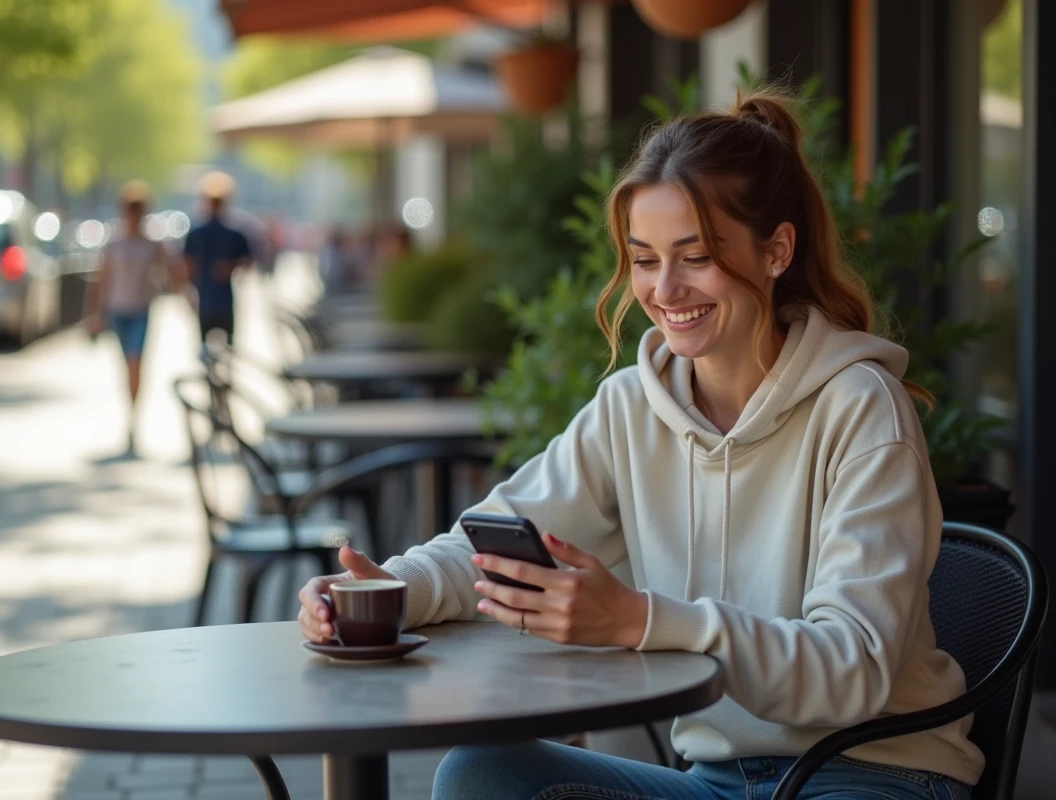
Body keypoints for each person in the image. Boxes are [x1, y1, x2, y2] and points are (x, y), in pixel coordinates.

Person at [297, 89, 981, 800]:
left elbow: (853, 669)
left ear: (776, 250)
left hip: (874, 773)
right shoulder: (632, 408)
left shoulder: (861, 410)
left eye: (696, 255)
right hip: (716, 779)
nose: (664, 288)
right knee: (482, 774)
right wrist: (381, 591)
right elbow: (491, 545)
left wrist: (638, 619)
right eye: (644, 258)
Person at [86, 180, 169, 454]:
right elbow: (101, 279)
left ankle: (133, 419)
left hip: (141, 311)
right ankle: (129, 409)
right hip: (117, 310)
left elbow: (171, 269)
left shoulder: (152, 243)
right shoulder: (114, 242)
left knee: (135, 364)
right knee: (126, 365)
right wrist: (94, 314)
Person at [181, 171, 252, 345]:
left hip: (213, 298)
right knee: (224, 345)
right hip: (212, 298)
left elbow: (187, 266)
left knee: (207, 346)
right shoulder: (230, 234)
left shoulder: (200, 234)